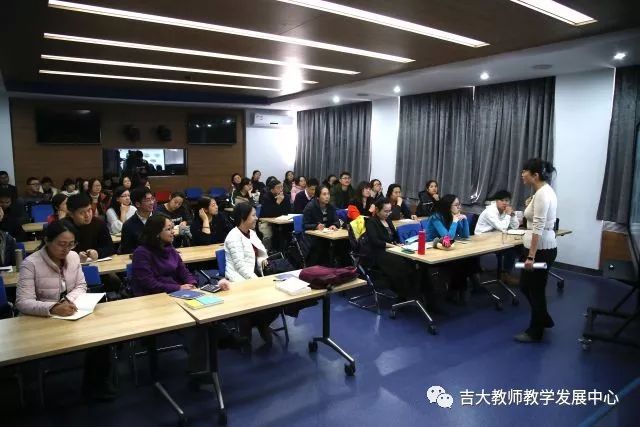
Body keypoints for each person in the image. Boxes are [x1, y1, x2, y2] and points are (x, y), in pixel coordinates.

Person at [15, 221, 115, 400]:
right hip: (40, 320)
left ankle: (95, 386)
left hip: (69, 312)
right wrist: (53, 307)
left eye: (71, 244)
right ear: (47, 240)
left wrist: (67, 300)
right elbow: (23, 302)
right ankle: (33, 395)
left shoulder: (73, 257)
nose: (66, 249)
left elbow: (81, 285)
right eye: (61, 244)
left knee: (101, 339)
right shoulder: (30, 264)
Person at [514, 159, 558, 344]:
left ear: (535, 175)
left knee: (535, 290)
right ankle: (543, 317)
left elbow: (538, 227)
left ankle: (535, 331)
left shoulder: (542, 194)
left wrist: (531, 256)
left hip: (540, 250)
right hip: (541, 248)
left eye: (525, 171)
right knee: (526, 286)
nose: (522, 174)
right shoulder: (542, 191)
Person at [224, 203, 279, 345]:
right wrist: (258, 282)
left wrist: (263, 262)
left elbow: (261, 254)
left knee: (279, 301)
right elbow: (240, 266)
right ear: (243, 218)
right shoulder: (233, 236)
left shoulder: (252, 233)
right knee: (253, 305)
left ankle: (261, 323)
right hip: (238, 280)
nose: (256, 218)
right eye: (253, 215)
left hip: (254, 276)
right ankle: (250, 331)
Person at [364, 198, 433, 303]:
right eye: (385, 211)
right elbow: (375, 241)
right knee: (401, 265)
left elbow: (395, 237)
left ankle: (418, 292)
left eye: (389, 211)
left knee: (413, 262)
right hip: (379, 253)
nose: (388, 214)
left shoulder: (388, 220)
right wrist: (391, 246)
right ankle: (405, 293)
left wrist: (397, 244)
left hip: (393, 249)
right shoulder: (371, 222)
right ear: (377, 210)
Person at [425, 194, 478, 304]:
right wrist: (454, 221)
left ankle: (457, 291)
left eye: (459, 204)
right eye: (456, 205)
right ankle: (456, 291)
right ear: (448, 206)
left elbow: (465, 235)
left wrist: (464, 220)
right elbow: (447, 239)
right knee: (461, 262)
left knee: (469, 259)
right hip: (432, 250)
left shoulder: (452, 216)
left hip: (446, 249)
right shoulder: (436, 217)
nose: (459, 207)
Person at [475, 190, 521, 286]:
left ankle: (505, 273)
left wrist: (512, 215)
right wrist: (508, 215)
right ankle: (505, 274)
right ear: (496, 201)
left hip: (495, 238)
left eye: (507, 200)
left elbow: (515, 226)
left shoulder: (504, 211)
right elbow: (502, 227)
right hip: (481, 239)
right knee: (510, 249)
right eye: (502, 200)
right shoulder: (490, 211)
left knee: (514, 248)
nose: (505, 203)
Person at [62, 193, 115, 263]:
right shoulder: (63, 227)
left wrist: (98, 253)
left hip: (96, 264)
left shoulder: (99, 223)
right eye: (82, 213)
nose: (87, 215)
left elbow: (110, 247)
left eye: (89, 210)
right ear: (71, 214)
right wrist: (75, 256)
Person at [303, 184, 340, 266]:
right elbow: (305, 225)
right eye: (324, 194)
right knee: (320, 246)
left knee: (343, 244)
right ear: (317, 197)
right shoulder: (310, 207)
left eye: (328, 194)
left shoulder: (331, 206)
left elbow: (337, 221)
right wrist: (316, 226)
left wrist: (334, 225)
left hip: (328, 236)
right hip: (313, 237)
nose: (327, 197)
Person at [119, 187, 155, 254]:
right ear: (138, 204)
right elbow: (126, 250)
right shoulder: (128, 225)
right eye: (147, 200)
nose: (152, 202)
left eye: (152, 199)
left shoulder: (160, 219)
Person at [259, 179, 291, 251]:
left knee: (288, 231)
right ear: (272, 190)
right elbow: (269, 213)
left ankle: (285, 251)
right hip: (267, 222)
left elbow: (288, 211)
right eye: (278, 187)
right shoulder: (266, 197)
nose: (281, 189)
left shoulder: (285, 196)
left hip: (282, 221)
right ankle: (273, 250)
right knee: (274, 232)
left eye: (281, 187)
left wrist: (281, 203)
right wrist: (278, 202)